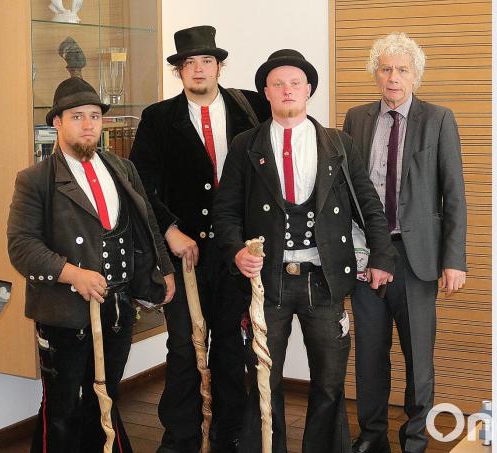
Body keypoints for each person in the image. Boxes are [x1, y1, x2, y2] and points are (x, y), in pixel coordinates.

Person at [212, 49, 397, 453]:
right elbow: (225, 211)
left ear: (309, 89)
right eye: (278, 84)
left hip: (324, 281)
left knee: (330, 382)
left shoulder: (339, 144)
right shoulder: (246, 145)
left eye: (295, 83)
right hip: (267, 283)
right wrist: (236, 252)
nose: (287, 90)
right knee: (264, 379)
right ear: (266, 92)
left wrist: (382, 256)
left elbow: (369, 204)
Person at [7, 76, 175, 453]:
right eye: (77, 117)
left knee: (105, 397)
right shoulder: (36, 180)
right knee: (63, 408)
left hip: (117, 309)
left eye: (95, 117)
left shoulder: (121, 168)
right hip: (63, 312)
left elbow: (145, 224)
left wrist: (163, 270)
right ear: (57, 122)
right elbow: (21, 247)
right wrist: (73, 274)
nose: (87, 125)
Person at [129, 25, 270, 453]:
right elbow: (140, 184)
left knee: (230, 345)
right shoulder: (158, 118)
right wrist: (170, 231)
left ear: (219, 66)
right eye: (188, 63)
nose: (198, 69)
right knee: (183, 347)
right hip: (183, 255)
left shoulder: (252, 107)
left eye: (206, 60)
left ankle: (229, 435)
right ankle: (181, 438)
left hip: (234, 253)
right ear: (179, 71)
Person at [343, 32, 467, 453]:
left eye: (402, 70)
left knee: (418, 359)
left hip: (417, 259)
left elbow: (454, 193)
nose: (393, 77)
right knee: (369, 355)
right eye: (385, 69)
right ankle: (371, 436)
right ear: (375, 74)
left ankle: (415, 440)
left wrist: (454, 259)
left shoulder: (438, 119)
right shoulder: (356, 119)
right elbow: (347, 190)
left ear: (416, 76)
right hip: (368, 256)